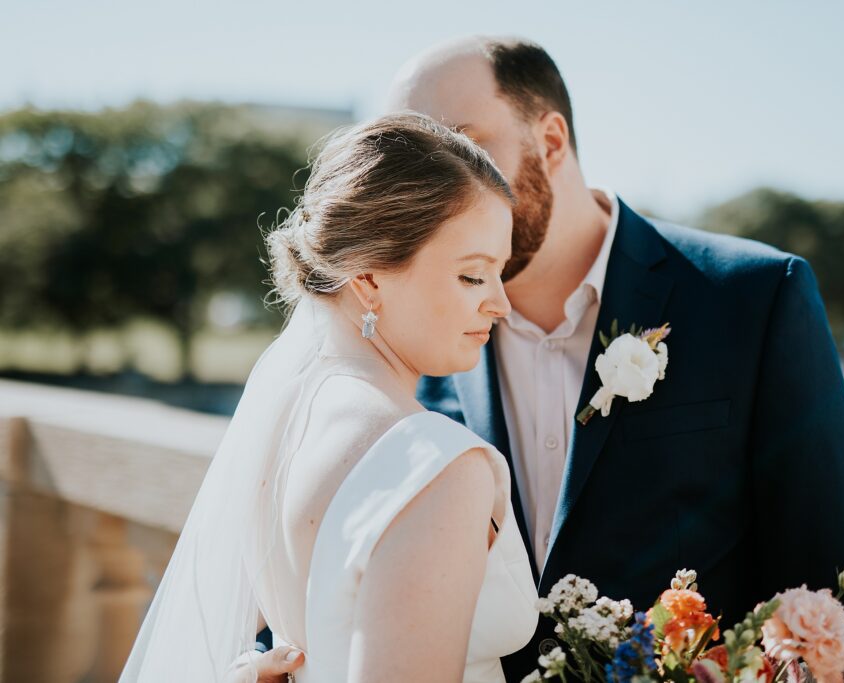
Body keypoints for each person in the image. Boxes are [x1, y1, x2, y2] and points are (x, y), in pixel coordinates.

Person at [250, 36, 844, 683]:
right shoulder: (410, 338)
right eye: (412, 160)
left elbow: (828, 605)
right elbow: (327, 563)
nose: (436, 185)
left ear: (550, 141)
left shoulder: (755, 296)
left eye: (462, 144)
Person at [119, 112, 539, 682]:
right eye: (472, 276)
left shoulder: (285, 417)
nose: (500, 304)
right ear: (367, 278)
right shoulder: (434, 466)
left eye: (500, 274)